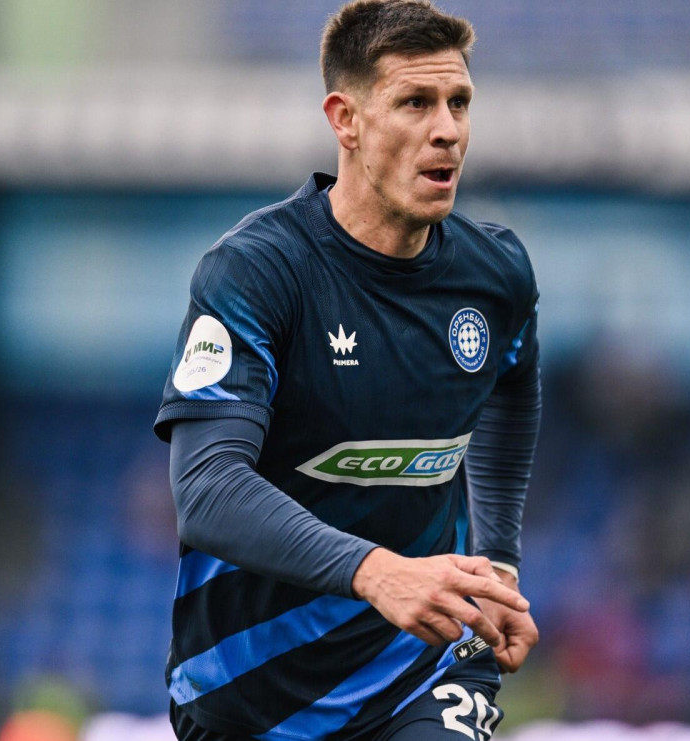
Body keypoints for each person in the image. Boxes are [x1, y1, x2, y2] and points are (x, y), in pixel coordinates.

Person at [154, 1, 541, 738]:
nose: (448, 130)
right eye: (415, 102)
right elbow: (206, 488)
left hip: (422, 669)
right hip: (251, 692)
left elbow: (513, 387)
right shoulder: (258, 272)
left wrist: (497, 560)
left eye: (459, 103)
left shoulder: (495, 274)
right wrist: (377, 571)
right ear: (346, 120)